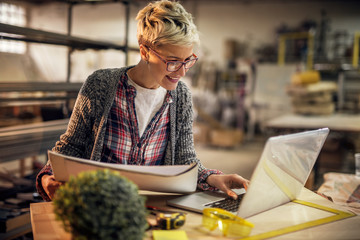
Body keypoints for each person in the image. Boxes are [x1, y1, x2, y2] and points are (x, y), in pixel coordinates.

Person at [36, 0, 249, 202]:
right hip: (98, 205)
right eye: (173, 62)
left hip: (150, 207)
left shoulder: (181, 96)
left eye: (188, 60)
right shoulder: (100, 85)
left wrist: (212, 178)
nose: (182, 72)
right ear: (145, 51)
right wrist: (47, 177)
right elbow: (70, 147)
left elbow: (185, 159)